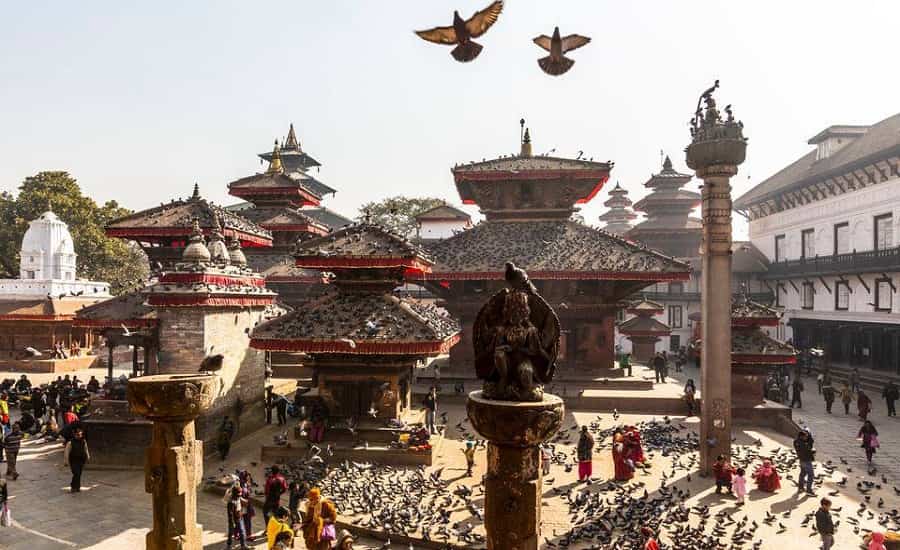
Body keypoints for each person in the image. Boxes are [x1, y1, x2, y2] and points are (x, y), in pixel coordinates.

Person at [63, 427, 91, 493]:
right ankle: (73, 486)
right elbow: (67, 452)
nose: (79, 436)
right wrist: (66, 461)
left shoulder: (83, 441)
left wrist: (88, 457)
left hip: (81, 460)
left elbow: (86, 449)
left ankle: (77, 487)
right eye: (78, 435)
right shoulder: (70, 443)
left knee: (79, 474)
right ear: (74, 435)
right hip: (73, 460)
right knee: (76, 473)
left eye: (80, 434)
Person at [225, 485, 248, 550]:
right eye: (239, 493)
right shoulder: (231, 502)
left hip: (239, 517)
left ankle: (243, 546)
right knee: (230, 533)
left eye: (240, 493)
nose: (240, 495)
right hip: (233, 520)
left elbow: (244, 503)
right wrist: (233, 523)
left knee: (242, 531)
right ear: (235, 494)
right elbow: (230, 514)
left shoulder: (238, 498)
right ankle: (229, 546)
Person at [794, 428, 815, 495]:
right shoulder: (804, 444)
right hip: (807, 461)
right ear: (801, 436)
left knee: (802, 474)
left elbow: (808, 444)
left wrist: (808, 436)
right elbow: (810, 447)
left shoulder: (796, 441)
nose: (806, 437)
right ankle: (809, 490)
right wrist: (810, 436)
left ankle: (801, 488)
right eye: (805, 436)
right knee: (811, 475)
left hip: (801, 460)